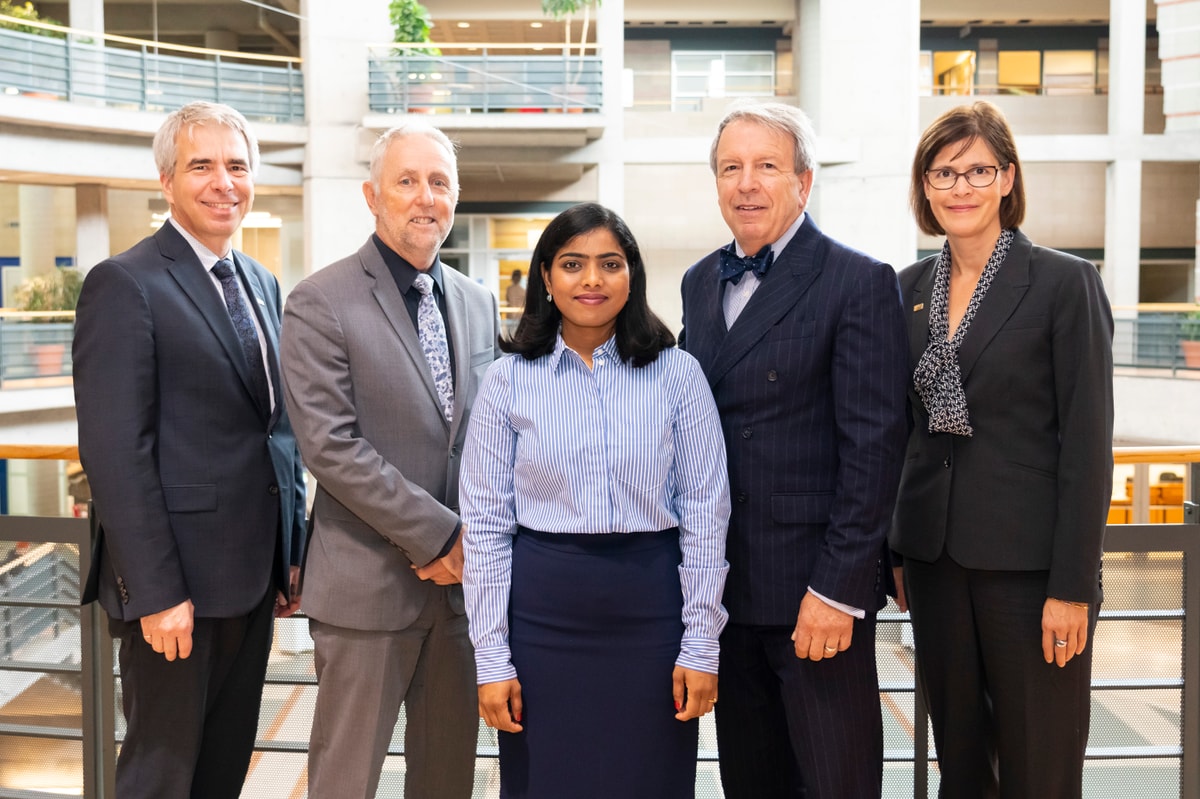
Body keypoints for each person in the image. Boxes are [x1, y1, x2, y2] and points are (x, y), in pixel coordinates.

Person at [72, 101, 307, 799]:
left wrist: (289, 548)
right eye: (202, 165)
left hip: (252, 578)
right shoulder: (126, 282)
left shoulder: (260, 282)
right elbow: (117, 451)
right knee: (161, 774)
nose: (223, 182)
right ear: (167, 179)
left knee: (222, 767)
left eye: (237, 165)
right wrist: (157, 590)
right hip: (175, 592)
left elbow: (279, 427)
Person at [461, 202, 731, 799]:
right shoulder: (507, 381)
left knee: (650, 781)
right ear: (546, 279)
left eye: (609, 263)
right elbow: (483, 528)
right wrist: (492, 658)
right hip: (542, 619)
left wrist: (701, 644)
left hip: (653, 615)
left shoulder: (679, 375)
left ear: (631, 276)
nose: (591, 280)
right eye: (572, 264)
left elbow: (707, 519)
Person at [679, 100, 909, 798]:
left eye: (767, 166)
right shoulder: (698, 282)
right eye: (731, 168)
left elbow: (874, 447)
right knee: (752, 784)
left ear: (803, 183)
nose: (746, 183)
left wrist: (838, 589)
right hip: (728, 592)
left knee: (835, 783)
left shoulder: (857, 281)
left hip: (816, 598)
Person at [890, 100, 1114, 798]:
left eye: (979, 170)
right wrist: (897, 548)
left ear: (1008, 179)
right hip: (935, 562)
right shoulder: (908, 288)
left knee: (1039, 764)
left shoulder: (1062, 282)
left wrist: (1072, 586)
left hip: (1032, 571)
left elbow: (1087, 444)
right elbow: (904, 431)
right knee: (961, 762)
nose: (962, 186)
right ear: (925, 186)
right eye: (944, 172)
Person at [279, 120, 500, 799]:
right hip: (366, 594)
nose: (425, 197)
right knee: (345, 782)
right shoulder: (320, 300)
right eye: (408, 181)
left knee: (445, 782)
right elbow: (330, 445)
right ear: (373, 195)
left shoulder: (475, 301)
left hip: (460, 599)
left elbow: (485, 436)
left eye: (440, 183)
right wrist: (439, 533)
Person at [504, 267, 526, 336]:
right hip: (519, 316)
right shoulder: (523, 290)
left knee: (510, 337)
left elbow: (508, 299)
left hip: (511, 316)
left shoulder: (509, 289)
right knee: (518, 337)